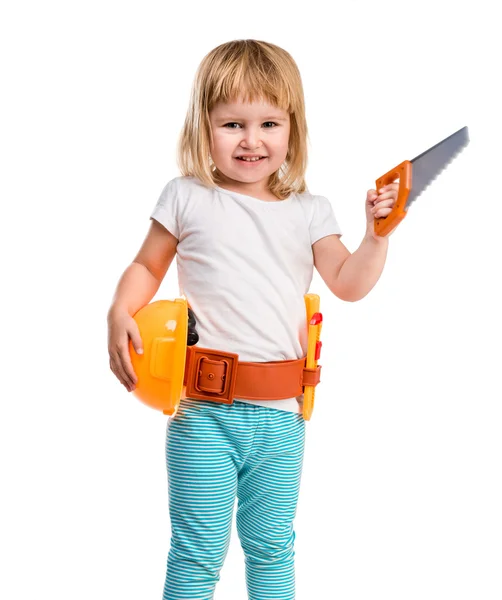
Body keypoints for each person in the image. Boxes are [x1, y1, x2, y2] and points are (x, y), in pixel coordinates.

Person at [107, 39, 398, 600]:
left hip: (282, 421)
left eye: (269, 122)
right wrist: (120, 308)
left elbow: (349, 283)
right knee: (196, 554)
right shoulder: (186, 196)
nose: (252, 140)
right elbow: (147, 264)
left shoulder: (311, 211)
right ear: (203, 127)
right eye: (232, 124)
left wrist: (375, 238)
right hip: (203, 416)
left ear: (293, 129)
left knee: (272, 550)